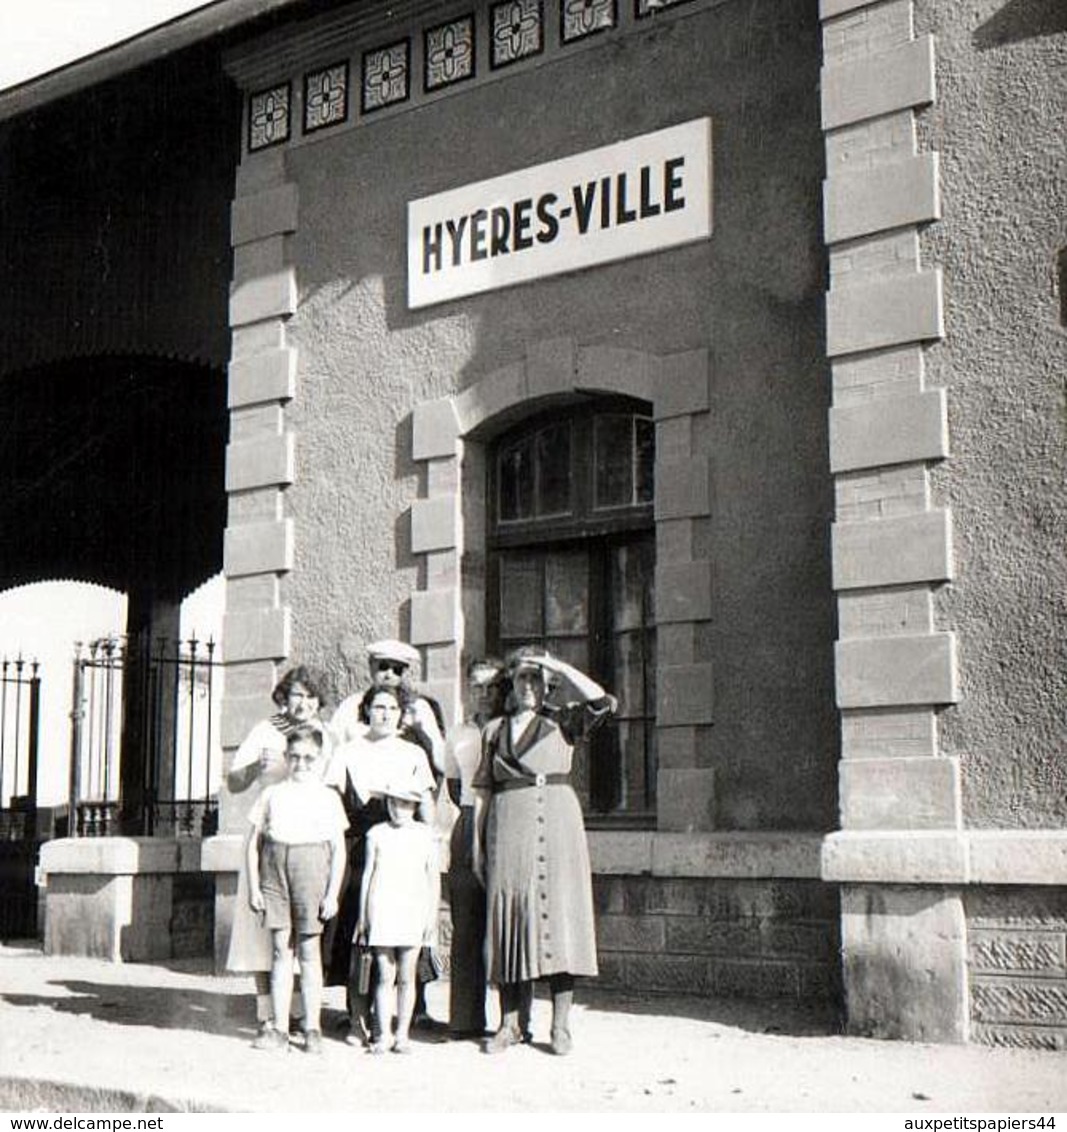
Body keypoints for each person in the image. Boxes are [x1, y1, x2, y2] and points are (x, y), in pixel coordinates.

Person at [473, 646, 616, 1056]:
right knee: (511, 918)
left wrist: (558, 666)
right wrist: (479, 848)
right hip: (508, 824)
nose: (530, 686)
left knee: (561, 916)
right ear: (511, 684)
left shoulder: (563, 722)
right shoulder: (495, 730)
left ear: (547, 684)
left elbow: (601, 701)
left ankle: (561, 1026)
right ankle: (511, 1023)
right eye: (523, 678)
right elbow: (483, 792)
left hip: (557, 822)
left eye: (537, 679)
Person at [322, 683, 437, 1042]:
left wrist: (431, 846)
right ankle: (358, 1018)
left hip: (404, 849)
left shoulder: (413, 753)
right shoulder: (347, 752)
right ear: (366, 711)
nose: (385, 714)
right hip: (360, 848)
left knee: (402, 932)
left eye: (392, 708)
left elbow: (426, 807)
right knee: (358, 931)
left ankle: (395, 1023)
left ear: (401, 715)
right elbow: (330, 802)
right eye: (378, 707)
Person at [225, 665, 332, 1037]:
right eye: (297, 694)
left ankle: (302, 1015)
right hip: (268, 839)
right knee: (262, 932)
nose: (303, 703)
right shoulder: (267, 730)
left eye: (311, 696)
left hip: (308, 846)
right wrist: (258, 765)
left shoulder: (326, 736)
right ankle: (266, 1014)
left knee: (304, 933)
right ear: (285, 697)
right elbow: (234, 782)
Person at [246, 724, 348, 1054]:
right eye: (294, 757)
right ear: (286, 758)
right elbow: (252, 845)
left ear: (319, 760)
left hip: (311, 867)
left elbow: (338, 849)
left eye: (308, 758)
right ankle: (278, 1027)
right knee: (279, 950)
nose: (301, 764)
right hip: (274, 869)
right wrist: (253, 888)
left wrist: (332, 892)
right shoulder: (272, 793)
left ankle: (312, 1027)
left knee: (308, 950)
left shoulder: (328, 797)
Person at [443, 658, 509, 1039]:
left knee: (505, 924)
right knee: (466, 924)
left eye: (491, 687)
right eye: (476, 687)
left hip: (506, 819)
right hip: (468, 822)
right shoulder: (459, 733)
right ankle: (466, 1020)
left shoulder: (509, 729)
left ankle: (510, 1020)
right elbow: (454, 786)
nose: (484, 695)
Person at [356, 780, 440, 1055]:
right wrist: (362, 916)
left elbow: (433, 878)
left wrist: (431, 916)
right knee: (383, 975)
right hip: (382, 909)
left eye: (404, 803)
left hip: (413, 909)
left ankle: (402, 1034)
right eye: (392, 802)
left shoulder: (425, 835)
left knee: (407, 976)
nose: (398, 809)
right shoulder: (377, 834)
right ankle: (383, 1034)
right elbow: (368, 875)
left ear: (415, 806)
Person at [330, 639, 446, 774]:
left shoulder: (418, 707)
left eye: (397, 670)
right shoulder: (351, 705)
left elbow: (441, 761)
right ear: (371, 666)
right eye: (383, 667)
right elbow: (332, 748)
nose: (389, 675)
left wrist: (421, 732)